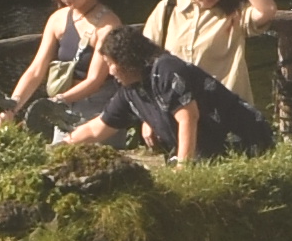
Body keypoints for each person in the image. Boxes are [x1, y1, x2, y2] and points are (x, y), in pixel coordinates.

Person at [55, 22, 277, 163]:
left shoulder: (165, 69)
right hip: (211, 154)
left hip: (246, 142)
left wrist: (183, 167)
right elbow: (97, 128)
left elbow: (188, 117)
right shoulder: (131, 91)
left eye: (111, 63)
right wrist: (63, 145)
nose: (110, 71)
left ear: (126, 59)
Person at [151, 0, 286, 128]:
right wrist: (149, 117)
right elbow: (146, 63)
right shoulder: (167, 9)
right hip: (176, 115)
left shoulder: (235, 14)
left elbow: (268, 9)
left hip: (226, 114)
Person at [2, 0, 118, 125]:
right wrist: (11, 107)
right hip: (64, 104)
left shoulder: (108, 25)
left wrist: (55, 102)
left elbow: (95, 80)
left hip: (98, 107)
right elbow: (36, 69)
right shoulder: (57, 19)